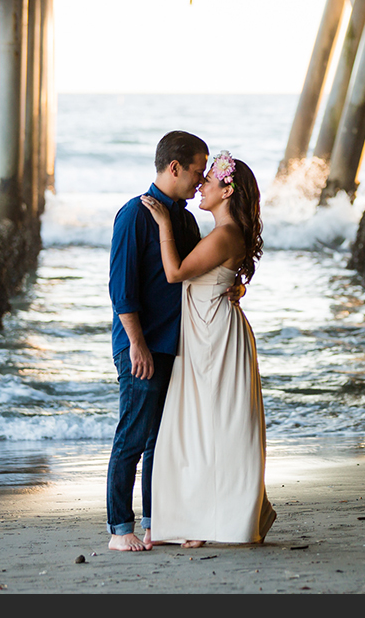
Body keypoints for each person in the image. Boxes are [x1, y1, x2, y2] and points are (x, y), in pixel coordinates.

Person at [141, 151, 276, 546]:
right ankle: (204, 517)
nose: (201, 185)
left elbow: (175, 272)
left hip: (215, 336)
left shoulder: (224, 233)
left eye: (210, 181)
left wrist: (165, 223)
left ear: (227, 190)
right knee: (205, 427)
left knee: (214, 427)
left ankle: (212, 521)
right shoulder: (223, 233)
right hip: (206, 331)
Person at [106, 130, 209, 552]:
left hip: (175, 345)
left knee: (160, 441)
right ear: (174, 167)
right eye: (197, 172)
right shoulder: (134, 214)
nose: (201, 181)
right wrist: (137, 344)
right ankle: (119, 529)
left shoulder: (184, 219)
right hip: (142, 346)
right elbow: (121, 289)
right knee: (132, 435)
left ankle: (155, 524)